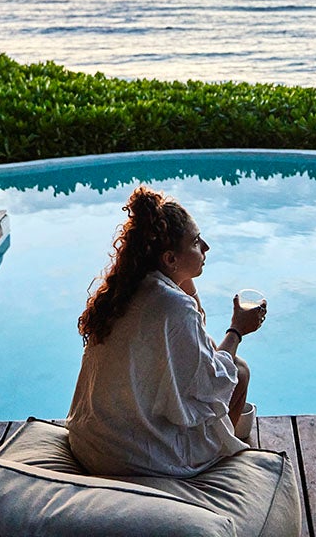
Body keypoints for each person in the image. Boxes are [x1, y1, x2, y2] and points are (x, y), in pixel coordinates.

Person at [66, 185, 268, 477]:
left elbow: (196, 339)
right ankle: (222, 470)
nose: (206, 247)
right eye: (196, 241)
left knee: (229, 366)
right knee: (239, 372)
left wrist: (186, 278)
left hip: (90, 441)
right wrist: (237, 330)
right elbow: (209, 382)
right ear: (170, 259)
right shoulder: (172, 305)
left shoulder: (131, 286)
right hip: (128, 457)